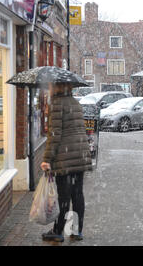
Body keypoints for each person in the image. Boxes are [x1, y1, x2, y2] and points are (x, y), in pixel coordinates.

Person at [40, 83, 92, 242]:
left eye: (50, 85)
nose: (48, 87)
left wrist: (47, 159)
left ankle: (58, 232)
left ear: (56, 87)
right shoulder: (75, 102)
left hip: (66, 157)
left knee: (63, 196)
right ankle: (75, 230)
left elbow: (54, 136)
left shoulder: (57, 104)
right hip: (80, 155)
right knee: (77, 194)